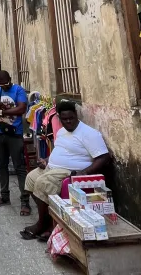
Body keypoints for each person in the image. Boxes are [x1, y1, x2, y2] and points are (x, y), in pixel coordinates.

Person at [20, 100, 110, 240]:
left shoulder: (89, 133)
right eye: (64, 119)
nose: (68, 122)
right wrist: (47, 160)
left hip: (70, 171)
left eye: (71, 118)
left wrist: (84, 172)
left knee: (43, 182)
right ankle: (47, 221)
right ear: (59, 119)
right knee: (31, 178)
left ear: (76, 116)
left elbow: (104, 158)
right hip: (52, 167)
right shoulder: (61, 131)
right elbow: (60, 151)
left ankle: (42, 224)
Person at [0, 70, 30, 215]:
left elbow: (21, 108)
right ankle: (4, 196)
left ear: (10, 80)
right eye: (1, 85)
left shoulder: (18, 90)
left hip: (15, 133)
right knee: (2, 165)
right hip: (0, 133)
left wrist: (3, 111)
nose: (4, 87)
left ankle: (25, 201)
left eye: (6, 84)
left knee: (19, 167)